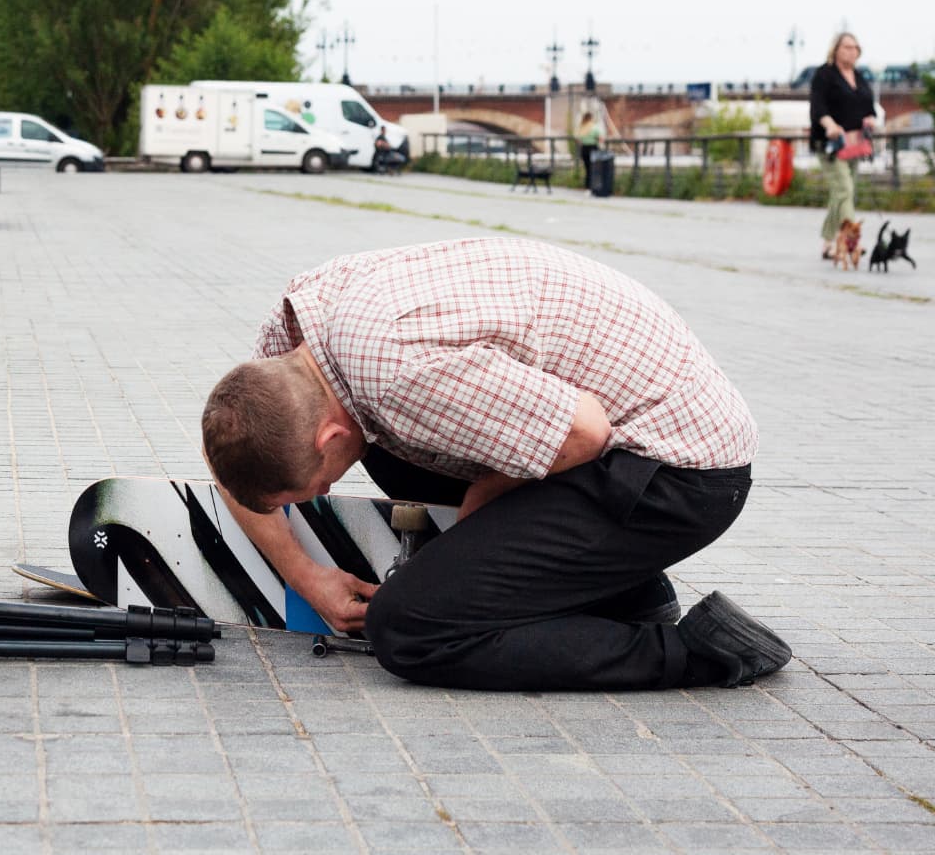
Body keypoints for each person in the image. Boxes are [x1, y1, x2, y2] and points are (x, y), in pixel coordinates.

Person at [201, 238, 787, 692]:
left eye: (318, 485)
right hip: (617, 428)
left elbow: (585, 430)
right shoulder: (294, 337)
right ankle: (619, 592)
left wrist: (483, 508)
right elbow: (228, 449)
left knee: (410, 631)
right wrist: (306, 576)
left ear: (326, 435)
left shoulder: (395, 376)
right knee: (391, 452)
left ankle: (699, 651)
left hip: (678, 470)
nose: (320, 494)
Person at [808, 32, 877, 260]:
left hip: (855, 143)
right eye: (847, 47)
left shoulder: (859, 76)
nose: (852, 51)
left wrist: (870, 119)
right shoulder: (825, 75)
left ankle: (827, 244)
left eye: (855, 47)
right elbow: (818, 108)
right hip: (832, 144)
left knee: (842, 193)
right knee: (844, 190)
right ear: (835, 49)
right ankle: (851, 242)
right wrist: (830, 125)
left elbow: (868, 106)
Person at [575, 111, 606, 186]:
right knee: (594, 169)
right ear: (591, 118)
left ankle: (587, 187)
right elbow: (601, 139)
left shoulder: (582, 127)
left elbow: (577, 140)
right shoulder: (594, 127)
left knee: (587, 169)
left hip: (584, 149)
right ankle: (594, 187)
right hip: (593, 149)